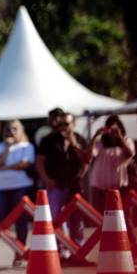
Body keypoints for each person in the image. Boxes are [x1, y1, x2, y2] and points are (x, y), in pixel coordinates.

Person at [36, 111, 88, 260]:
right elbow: (39, 162)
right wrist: (46, 180)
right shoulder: (49, 140)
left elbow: (86, 160)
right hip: (55, 185)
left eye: (66, 124)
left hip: (74, 185)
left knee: (76, 220)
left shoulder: (80, 139)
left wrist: (73, 143)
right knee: (55, 218)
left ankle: (78, 251)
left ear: (74, 124)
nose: (62, 127)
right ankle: (59, 250)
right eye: (60, 124)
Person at [0, 120, 35, 268]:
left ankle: (19, 254)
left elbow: (24, 164)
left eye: (15, 129)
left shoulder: (28, 146)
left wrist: (5, 166)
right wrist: (7, 149)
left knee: (21, 223)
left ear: (21, 131)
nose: (11, 132)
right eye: (8, 129)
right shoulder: (0, 146)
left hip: (21, 187)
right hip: (0, 188)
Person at [86, 114, 135, 219]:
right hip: (103, 189)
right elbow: (89, 155)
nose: (113, 132)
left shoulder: (126, 141)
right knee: (104, 220)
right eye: (110, 129)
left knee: (125, 219)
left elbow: (130, 154)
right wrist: (95, 135)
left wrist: (120, 137)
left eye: (115, 129)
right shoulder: (101, 143)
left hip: (121, 188)